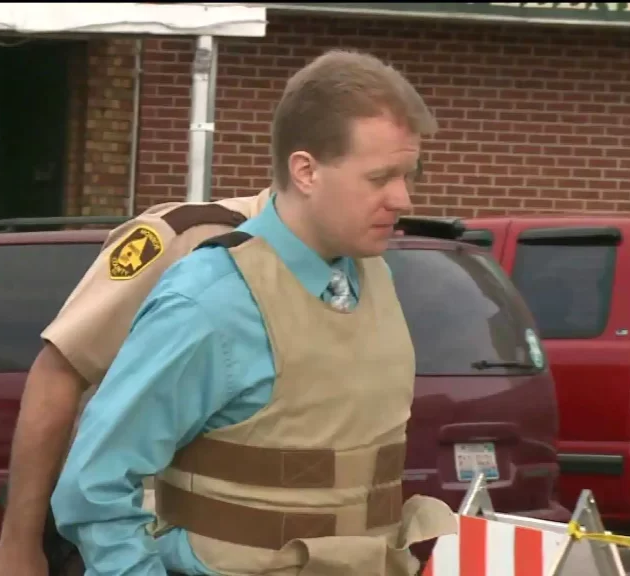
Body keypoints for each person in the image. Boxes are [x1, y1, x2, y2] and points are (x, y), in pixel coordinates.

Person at [50, 49, 458, 576]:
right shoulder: (212, 301)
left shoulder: (374, 278)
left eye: (408, 174)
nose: (402, 199)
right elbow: (94, 485)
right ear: (305, 171)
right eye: (379, 178)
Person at [0, 190, 274, 576]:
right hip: (136, 541)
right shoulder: (187, 236)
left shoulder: (341, 264)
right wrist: (19, 544)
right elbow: (60, 372)